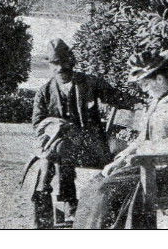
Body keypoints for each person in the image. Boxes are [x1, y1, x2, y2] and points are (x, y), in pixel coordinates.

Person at [73, 50, 168, 229]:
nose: (144, 90)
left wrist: (140, 151)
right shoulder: (158, 100)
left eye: (145, 84)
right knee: (95, 185)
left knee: (107, 190)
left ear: (159, 79)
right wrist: (120, 160)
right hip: (147, 166)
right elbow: (142, 139)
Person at [22, 38, 137, 228]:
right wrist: (55, 125)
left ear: (72, 62)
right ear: (50, 67)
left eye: (64, 63)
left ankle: (46, 207)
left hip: (92, 146)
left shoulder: (89, 83)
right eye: (55, 64)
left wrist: (141, 104)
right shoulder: (44, 93)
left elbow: (116, 97)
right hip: (63, 148)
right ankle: (68, 205)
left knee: (54, 152)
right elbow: (37, 123)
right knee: (57, 148)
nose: (60, 69)